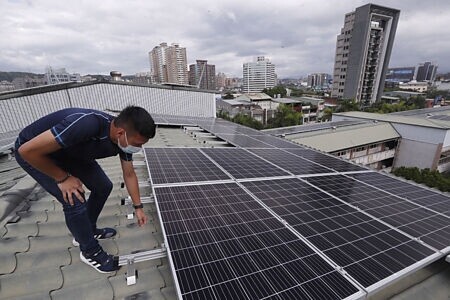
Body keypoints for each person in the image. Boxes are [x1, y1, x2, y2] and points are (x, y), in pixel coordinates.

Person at [14, 105, 156, 273]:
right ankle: (90, 251)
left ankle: (88, 229)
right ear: (120, 133)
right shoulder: (86, 124)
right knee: (74, 197)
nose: (139, 148)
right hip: (36, 154)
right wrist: (63, 178)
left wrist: (138, 207)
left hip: (71, 153)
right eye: (138, 144)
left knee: (103, 187)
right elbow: (27, 151)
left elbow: (130, 174)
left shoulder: (122, 142)